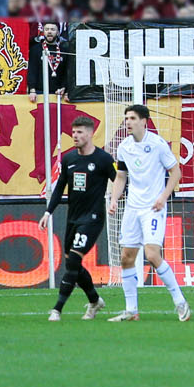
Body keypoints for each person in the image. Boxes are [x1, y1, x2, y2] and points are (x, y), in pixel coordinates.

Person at [107, 104, 190, 322]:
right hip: (132, 208)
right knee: (126, 258)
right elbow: (121, 176)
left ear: (144, 121)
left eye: (132, 118)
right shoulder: (124, 147)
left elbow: (175, 172)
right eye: (126, 118)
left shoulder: (157, 144)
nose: (128, 122)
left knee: (152, 255)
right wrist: (115, 199)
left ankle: (180, 302)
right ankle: (131, 310)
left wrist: (163, 196)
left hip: (153, 207)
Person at [40, 114, 119, 320]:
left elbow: (119, 179)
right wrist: (48, 212)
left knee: (74, 259)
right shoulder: (69, 159)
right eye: (73, 132)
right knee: (72, 264)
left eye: (79, 132)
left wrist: (114, 199)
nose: (75, 135)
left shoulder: (103, 159)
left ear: (90, 133)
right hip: (73, 217)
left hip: (93, 217)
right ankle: (94, 301)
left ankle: (57, 309)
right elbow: (59, 190)